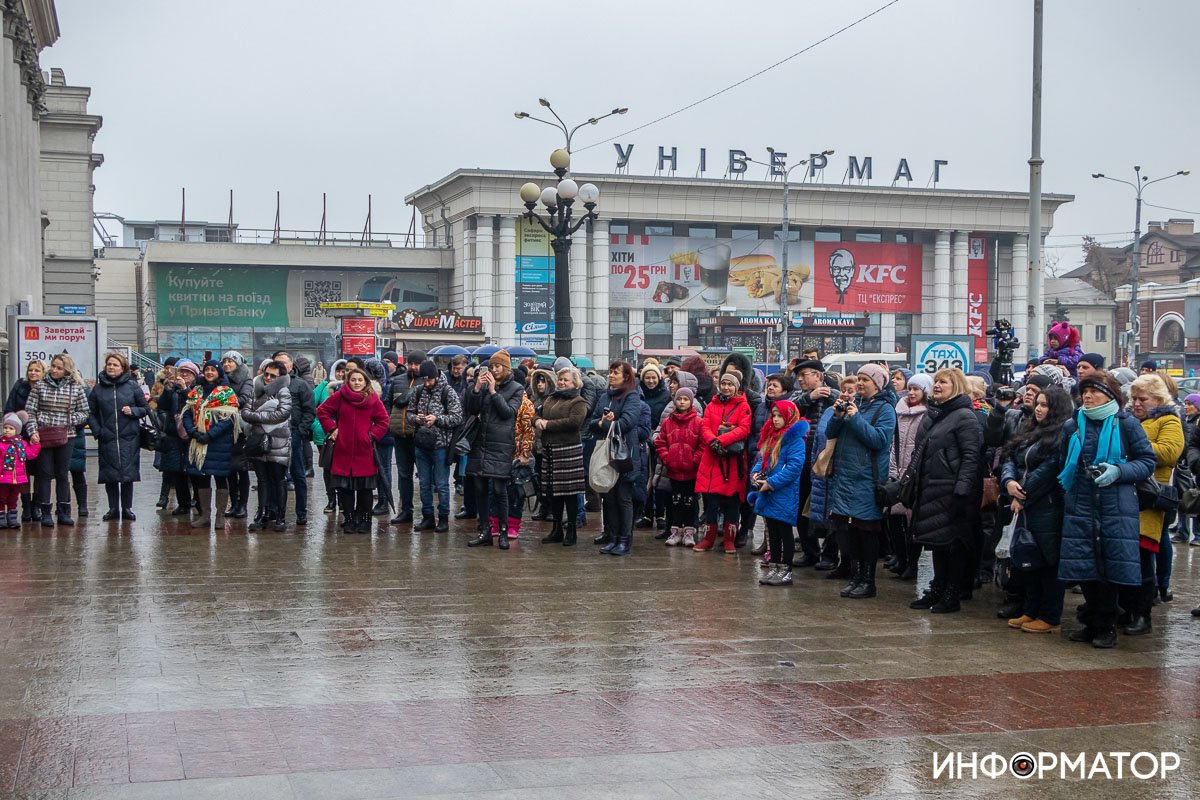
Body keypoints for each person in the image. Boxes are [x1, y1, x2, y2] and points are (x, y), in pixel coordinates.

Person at [1060, 372, 1157, 649]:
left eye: (1094, 391)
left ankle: (1107, 626)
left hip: (1116, 505)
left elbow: (1146, 461)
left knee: (1109, 567)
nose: (1087, 397)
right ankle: (1092, 622)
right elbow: (1063, 462)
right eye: (1084, 392)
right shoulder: (1072, 426)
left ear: (1111, 395)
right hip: (1081, 504)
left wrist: (1119, 471)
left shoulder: (1126, 424)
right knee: (1085, 566)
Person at [906, 369, 982, 612]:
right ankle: (937, 588)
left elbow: (971, 457)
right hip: (931, 487)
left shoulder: (964, 417)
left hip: (952, 490)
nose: (937, 385)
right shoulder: (933, 415)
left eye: (943, 382)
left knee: (954, 544)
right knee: (937, 543)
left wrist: (962, 490)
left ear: (956, 386)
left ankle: (952, 593)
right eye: (936, 381)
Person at [999, 386, 1072, 633]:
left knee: (1049, 562)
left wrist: (1023, 494)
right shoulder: (1031, 429)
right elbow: (1010, 457)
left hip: (1048, 507)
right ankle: (1030, 610)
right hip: (1025, 506)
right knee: (1030, 559)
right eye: (1038, 404)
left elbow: (1050, 470)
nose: (1039, 409)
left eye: (1045, 405)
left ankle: (1050, 616)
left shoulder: (1063, 433)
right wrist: (1009, 482)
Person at [824, 364, 898, 599]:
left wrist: (855, 418)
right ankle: (856, 577)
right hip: (846, 477)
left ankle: (868, 581)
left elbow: (878, 440)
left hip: (867, 479)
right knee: (851, 531)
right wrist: (837, 416)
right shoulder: (858, 404)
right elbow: (830, 434)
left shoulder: (885, 409)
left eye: (866, 379)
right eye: (859, 379)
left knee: (867, 532)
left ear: (878, 384)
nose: (861, 383)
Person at [1120, 374, 1184, 635]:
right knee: (1123, 556)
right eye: (1133, 398)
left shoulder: (1168, 420)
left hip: (1149, 496)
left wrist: (1134, 446)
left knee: (1144, 556)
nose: (1136, 403)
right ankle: (1125, 608)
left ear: (1157, 399)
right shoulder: (1130, 420)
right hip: (1125, 494)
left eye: (1142, 399)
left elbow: (1170, 451)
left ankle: (1142, 614)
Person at [317, 367, 389, 534]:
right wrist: (332, 429)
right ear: (348, 381)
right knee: (345, 489)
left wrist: (371, 436)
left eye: (360, 380)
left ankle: (365, 521)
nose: (356, 383)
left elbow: (383, 421)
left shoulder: (372, 399)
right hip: (343, 450)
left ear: (365, 382)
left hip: (364, 451)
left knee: (365, 490)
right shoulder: (339, 397)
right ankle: (349, 520)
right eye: (353, 380)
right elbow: (322, 411)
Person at [465, 351, 525, 550]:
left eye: (498, 366)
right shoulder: (481, 386)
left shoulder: (517, 388)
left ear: (506, 368)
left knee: (500, 490)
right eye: (492, 366)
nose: (494, 370)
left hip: (501, 445)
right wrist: (477, 388)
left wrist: (493, 391)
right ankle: (484, 531)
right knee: (480, 488)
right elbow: (472, 409)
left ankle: (504, 532)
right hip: (480, 443)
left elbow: (508, 413)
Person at [749, 400, 809, 586]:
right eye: (773, 416)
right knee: (772, 532)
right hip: (769, 493)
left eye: (779, 416)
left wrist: (771, 483)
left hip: (784, 493)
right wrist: (755, 474)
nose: (775, 420)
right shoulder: (772, 437)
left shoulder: (795, 440)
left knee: (784, 531)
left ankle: (786, 570)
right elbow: (762, 460)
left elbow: (793, 468)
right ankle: (775, 566)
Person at [25, 354, 89, 527]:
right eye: (53, 366)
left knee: (62, 474)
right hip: (43, 435)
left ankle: (64, 511)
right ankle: (45, 511)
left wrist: (69, 420)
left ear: (67, 370)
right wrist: (32, 432)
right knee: (44, 474)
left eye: (59, 368)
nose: (54, 370)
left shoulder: (76, 388)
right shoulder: (39, 386)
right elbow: (30, 411)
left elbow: (84, 412)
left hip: (66, 435)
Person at [589, 361, 643, 556]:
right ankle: (612, 537)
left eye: (615, 373)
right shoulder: (604, 396)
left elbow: (628, 422)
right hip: (606, 456)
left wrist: (608, 423)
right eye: (610, 373)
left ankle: (624, 540)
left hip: (623, 455)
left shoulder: (632, 396)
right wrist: (603, 422)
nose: (611, 376)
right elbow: (592, 422)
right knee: (609, 498)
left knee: (623, 498)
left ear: (626, 376)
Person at [693, 372, 752, 553]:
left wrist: (722, 440)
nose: (726, 387)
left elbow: (744, 428)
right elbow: (705, 426)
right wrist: (713, 441)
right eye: (723, 383)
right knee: (711, 502)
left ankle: (729, 540)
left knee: (732, 502)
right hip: (712, 458)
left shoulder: (744, 406)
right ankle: (708, 539)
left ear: (737, 386)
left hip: (732, 461)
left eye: (730, 384)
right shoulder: (711, 405)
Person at [87, 353, 150, 521]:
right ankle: (113, 508)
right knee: (110, 475)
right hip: (107, 438)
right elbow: (90, 413)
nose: (111, 367)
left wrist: (133, 411)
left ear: (123, 368)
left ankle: (127, 508)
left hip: (129, 437)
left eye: (115, 365)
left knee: (128, 475)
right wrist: (98, 431)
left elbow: (145, 408)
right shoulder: (98, 389)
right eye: (109, 364)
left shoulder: (132, 387)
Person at [406, 359, 463, 532]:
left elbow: (457, 417)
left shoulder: (448, 392)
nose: (427, 383)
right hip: (421, 444)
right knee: (424, 483)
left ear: (436, 377)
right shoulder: (418, 391)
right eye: (424, 380)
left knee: (441, 484)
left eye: (429, 380)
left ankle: (444, 518)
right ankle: (427, 517)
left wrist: (436, 419)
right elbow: (409, 413)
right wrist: (416, 419)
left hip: (440, 446)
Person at [182, 360, 240, 528]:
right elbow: (187, 412)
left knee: (221, 478)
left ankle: (220, 516)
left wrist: (210, 434)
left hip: (219, 443)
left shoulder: (226, 392)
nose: (209, 372)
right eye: (207, 369)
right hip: (198, 442)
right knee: (202, 478)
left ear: (219, 373)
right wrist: (192, 431)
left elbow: (230, 418)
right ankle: (205, 515)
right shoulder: (196, 391)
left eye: (213, 370)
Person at [535, 367, 589, 546]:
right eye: (560, 379)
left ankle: (571, 530)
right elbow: (535, 414)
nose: (562, 383)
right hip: (550, 450)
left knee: (570, 494)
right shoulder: (551, 398)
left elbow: (574, 423)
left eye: (566, 380)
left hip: (568, 450)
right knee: (554, 493)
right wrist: (536, 421)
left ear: (575, 382)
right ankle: (556, 529)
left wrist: (547, 424)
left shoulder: (578, 401)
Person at [792, 359, 837, 568]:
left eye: (805, 375)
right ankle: (810, 552)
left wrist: (829, 395)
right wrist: (809, 398)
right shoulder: (798, 397)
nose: (800, 379)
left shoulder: (833, 394)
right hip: (801, 459)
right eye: (798, 376)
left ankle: (829, 554)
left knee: (827, 508)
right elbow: (788, 410)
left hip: (825, 461)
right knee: (801, 507)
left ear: (818, 375)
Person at [887, 373, 932, 580]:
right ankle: (900, 557)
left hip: (914, 473)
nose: (912, 393)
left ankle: (912, 563)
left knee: (912, 521)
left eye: (917, 389)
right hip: (896, 469)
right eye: (911, 388)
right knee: (894, 518)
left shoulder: (928, 414)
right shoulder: (899, 411)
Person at [240, 361, 293, 531]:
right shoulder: (255, 390)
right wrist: (263, 416)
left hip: (278, 443)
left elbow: (283, 413)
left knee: (279, 479)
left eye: (273, 375)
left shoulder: (283, 391)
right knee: (262, 480)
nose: (268, 378)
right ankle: (261, 513)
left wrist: (258, 416)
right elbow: (245, 413)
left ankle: (280, 516)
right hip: (258, 442)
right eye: (266, 374)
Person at [655, 386, 703, 547]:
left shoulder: (698, 422)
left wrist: (695, 460)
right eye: (679, 399)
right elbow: (660, 442)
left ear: (691, 402)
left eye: (685, 399)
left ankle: (689, 532)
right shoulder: (668, 422)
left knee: (690, 502)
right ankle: (675, 531)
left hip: (691, 471)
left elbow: (702, 445)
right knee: (675, 501)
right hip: (673, 470)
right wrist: (668, 458)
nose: (682, 402)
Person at [4, 360, 45, 522]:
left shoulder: (46, 388)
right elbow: (9, 409)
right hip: (21, 438)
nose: (33, 373)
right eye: (31, 370)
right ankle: (26, 506)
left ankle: (37, 506)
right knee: (23, 473)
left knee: (41, 472)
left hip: (39, 437)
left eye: (37, 370)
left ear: (43, 372)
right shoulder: (20, 386)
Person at [387, 351, 424, 524]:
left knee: (425, 477)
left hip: (420, 437)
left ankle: (427, 514)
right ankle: (406, 511)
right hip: (400, 436)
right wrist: (388, 422)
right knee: (403, 476)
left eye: (417, 364)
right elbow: (387, 404)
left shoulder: (427, 381)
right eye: (411, 363)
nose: (413, 367)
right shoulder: (397, 381)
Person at [159, 359, 198, 516]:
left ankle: (198, 501)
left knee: (194, 472)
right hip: (174, 434)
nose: (183, 375)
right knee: (177, 471)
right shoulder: (172, 389)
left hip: (192, 434)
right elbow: (162, 406)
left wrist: (185, 389)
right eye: (181, 372)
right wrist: (168, 389)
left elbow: (195, 404)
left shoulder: (197, 389)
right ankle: (183, 503)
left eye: (187, 373)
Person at [635, 363, 671, 531]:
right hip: (643, 441)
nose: (650, 381)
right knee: (646, 478)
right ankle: (647, 513)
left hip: (660, 440)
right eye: (647, 378)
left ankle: (660, 513)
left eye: (654, 377)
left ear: (659, 378)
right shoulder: (638, 395)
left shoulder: (666, 395)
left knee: (660, 478)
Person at [220, 351, 255, 519]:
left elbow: (244, 398)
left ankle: (243, 505)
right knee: (228, 470)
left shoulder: (246, 379)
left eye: (230, 361)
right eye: (224, 361)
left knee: (241, 468)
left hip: (240, 429)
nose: (227, 364)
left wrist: (223, 400)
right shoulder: (220, 380)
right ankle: (233, 503)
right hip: (223, 429)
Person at [313, 359, 347, 514]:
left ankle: (343, 500)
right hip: (324, 436)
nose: (341, 373)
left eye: (344, 370)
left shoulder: (351, 388)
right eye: (338, 370)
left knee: (342, 468)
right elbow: (312, 407)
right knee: (328, 468)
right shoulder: (323, 387)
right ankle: (331, 500)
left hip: (346, 436)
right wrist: (316, 425)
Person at [0, 413, 39, 528]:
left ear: (17, 430)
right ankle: (1, 517)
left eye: (10, 428)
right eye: (5, 428)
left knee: (13, 498)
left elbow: (30, 454)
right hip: (3, 478)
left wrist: (35, 445)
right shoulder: (1, 444)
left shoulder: (22, 444)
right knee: (1, 498)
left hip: (17, 478)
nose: (7, 430)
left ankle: (12, 518)